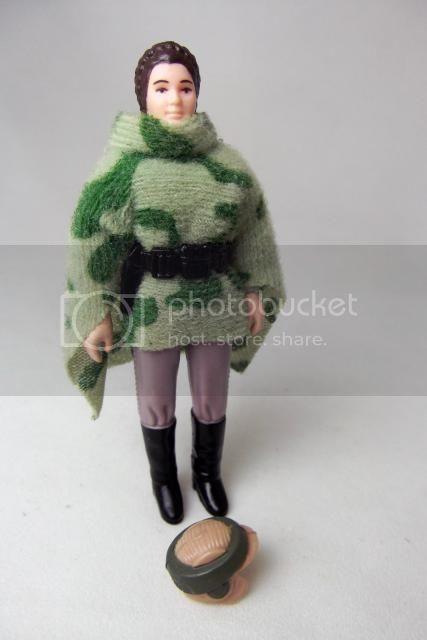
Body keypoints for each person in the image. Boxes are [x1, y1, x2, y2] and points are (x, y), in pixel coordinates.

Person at [63, 41, 286, 525]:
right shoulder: (124, 167)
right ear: (143, 96)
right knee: (156, 399)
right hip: (154, 304)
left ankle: (207, 472)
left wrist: (257, 290)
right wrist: (96, 311)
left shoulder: (228, 164)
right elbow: (90, 238)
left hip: (215, 300)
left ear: (198, 93)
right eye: (161, 87)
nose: (174, 98)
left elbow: (254, 232)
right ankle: (163, 478)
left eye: (185, 87)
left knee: (211, 395)